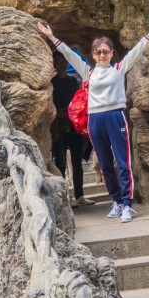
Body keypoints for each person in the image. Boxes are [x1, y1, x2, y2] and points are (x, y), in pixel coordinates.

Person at [37, 17, 149, 223]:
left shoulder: (118, 69)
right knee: (106, 164)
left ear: (111, 53)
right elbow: (69, 55)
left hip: (115, 117)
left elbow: (136, 51)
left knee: (123, 162)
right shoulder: (87, 72)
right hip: (95, 119)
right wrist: (52, 37)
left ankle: (127, 204)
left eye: (106, 52)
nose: (102, 55)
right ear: (93, 55)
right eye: (98, 52)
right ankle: (116, 201)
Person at [50, 52, 93, 207]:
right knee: (61, 163)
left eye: (64, 61)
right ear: (54, 64)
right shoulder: (51, 83)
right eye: (58, 61)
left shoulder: (73, 81)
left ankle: (79, 195)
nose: (62, 64)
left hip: (74, 125)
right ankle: (65, 197)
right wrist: (57, 112)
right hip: (59, 127)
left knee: (77, 162)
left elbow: (79, 99)